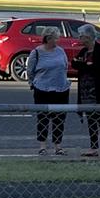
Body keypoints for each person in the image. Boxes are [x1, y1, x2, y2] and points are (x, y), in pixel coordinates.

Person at [70, 24, 100, 159]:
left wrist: (85, 65)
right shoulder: (83, 51)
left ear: (87, 37)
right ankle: (93, 147)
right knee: (91, 120)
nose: (79, 38)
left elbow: (99, 67)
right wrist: (85, 65)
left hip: (98, 90)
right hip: (85, 91)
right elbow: (75, 64)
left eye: (81, 36)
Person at [26, 27, 69, 155]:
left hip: (61, 89)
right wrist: (33, 83)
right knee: (43, 118)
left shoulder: (60, 51)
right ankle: (42, 146)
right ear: (49, 38)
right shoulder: (36, 52)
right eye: (56, 38)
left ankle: (58, 146)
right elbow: (30, 70)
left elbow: (65, 66)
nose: (58, 40)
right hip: (42, 89)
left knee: (59, 118)